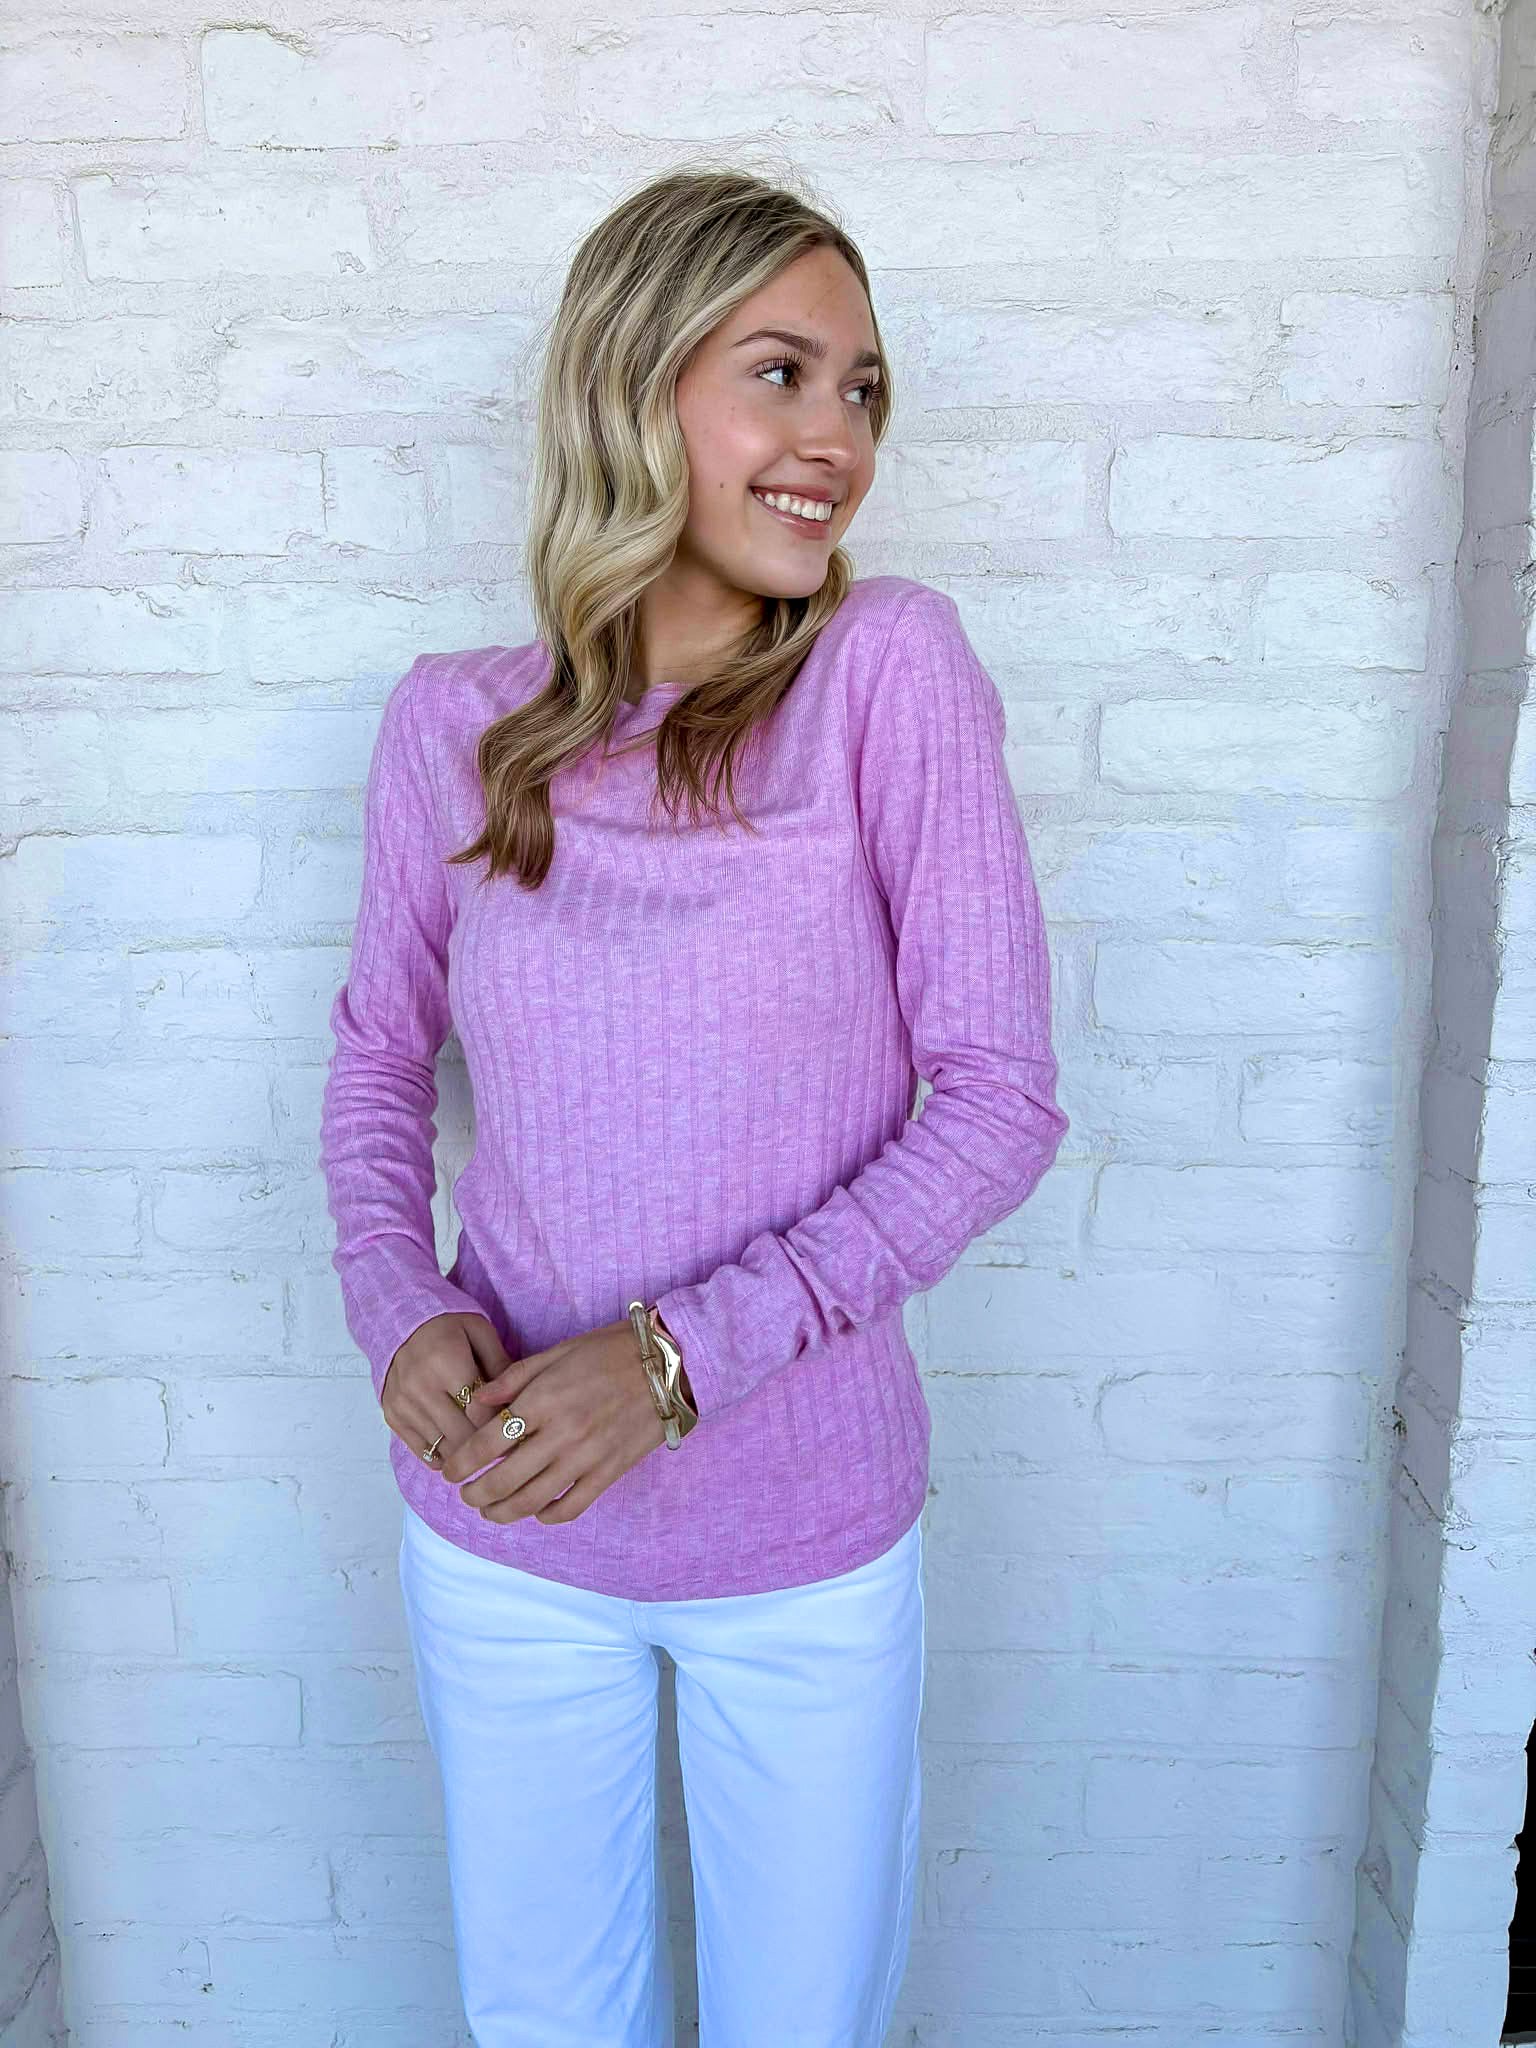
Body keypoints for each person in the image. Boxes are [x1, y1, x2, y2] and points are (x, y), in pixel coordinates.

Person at [318, 164, 1069, 2048]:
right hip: (501, 1519)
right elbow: (379, 1054)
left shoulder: (887, 673)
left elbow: (997, 1102)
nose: (840, 443)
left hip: (801, 1539)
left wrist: (670, 1366)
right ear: (634, 386)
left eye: (864, 389)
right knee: (542, 2024)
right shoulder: (453, 728)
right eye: (783, 374)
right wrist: (395, 1302)